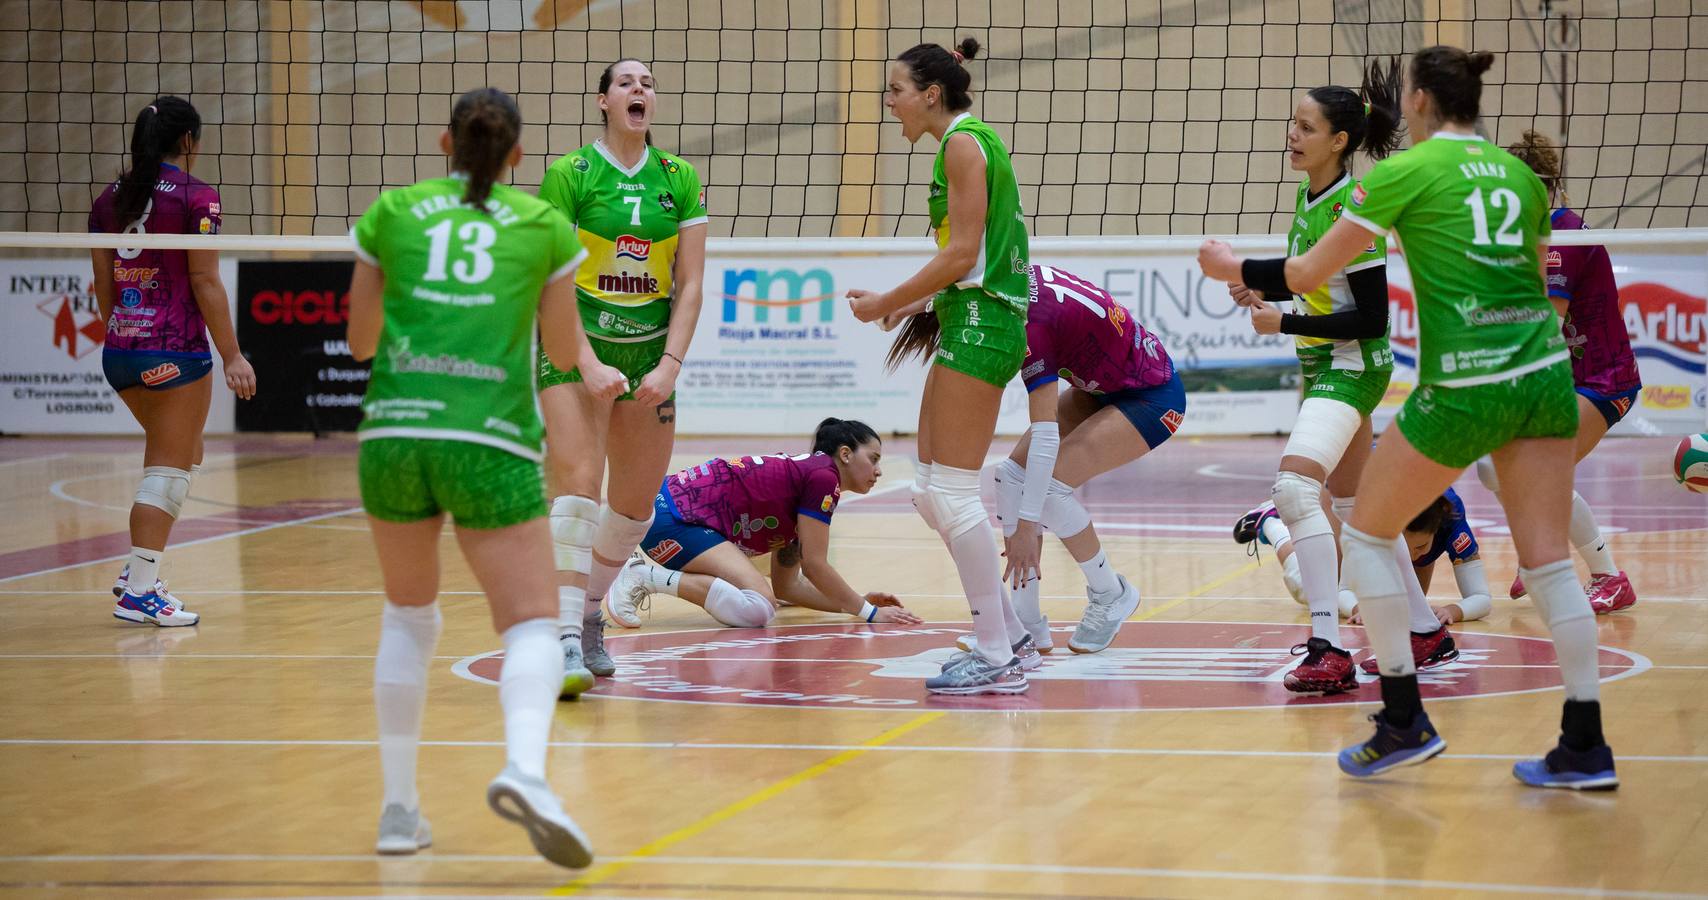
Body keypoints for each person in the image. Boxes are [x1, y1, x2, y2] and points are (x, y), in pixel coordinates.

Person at [1199, 46, 1618, 790]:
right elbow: (1531, 271)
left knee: (1363, 532)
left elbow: (1303, 276)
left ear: (1420, 100)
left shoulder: (1401, 174)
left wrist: (1230, 266)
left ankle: (1402, 722)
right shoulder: (1521, 176)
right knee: (1551, 564)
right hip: (1548, 379)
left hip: (1466, 383)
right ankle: (1584, 744)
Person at [346, 87, 624, 866]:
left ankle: (400, 812)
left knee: (407, 618)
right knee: (534, 623)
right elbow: (565, 353)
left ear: (444, 143)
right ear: (517, 158)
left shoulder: (393, 213)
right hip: (489, 439)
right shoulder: (542, 226)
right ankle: (527, 774)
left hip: (395, 435)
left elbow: (361, 341)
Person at [1226, 68, 1458, 695]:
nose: (1292, 135)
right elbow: (1319, 280)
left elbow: (1372, 316)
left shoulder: (1355, 206)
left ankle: (1328, 647)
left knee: (1296, 489)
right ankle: (1424, 631)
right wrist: (1265, 285)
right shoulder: (1313, 198)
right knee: (1358, 512)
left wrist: (1283, 320)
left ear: (1339, 141)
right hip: (1325, 366)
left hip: (1354, 366)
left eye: (1307, 128)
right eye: (1293, 123)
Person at [847, 38, 1033, 695]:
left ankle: (996, 653)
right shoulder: (959, 143)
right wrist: (914, 305)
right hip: (967, 317)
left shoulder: (961, 142)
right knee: (930, 490)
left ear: (930, 94)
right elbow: (966, 261)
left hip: (985, 323)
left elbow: (963, 254)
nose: (888, 104)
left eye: (894, 91)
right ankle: (1008, 634)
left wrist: (885, 302)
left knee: (951, 493)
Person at [889, 264, 1179, 658]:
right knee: (1010, 477)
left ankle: (1111, 593)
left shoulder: (1030, 325)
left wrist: (1027, 528)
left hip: (1152, 396)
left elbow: (1045, 434)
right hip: (1101, 386)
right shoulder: (1001, 280)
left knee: (1048, 493)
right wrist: (894, 306)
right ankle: (1026, 626)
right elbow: (950, 287)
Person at [536, 58, 708, 697]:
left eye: (648, 84)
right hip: (572, 346)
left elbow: (690, 284)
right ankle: (558, 640)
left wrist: (669, 365)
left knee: (635, 508)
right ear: (604, 101)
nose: (640, 90)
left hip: (647, 357)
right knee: (579, 488)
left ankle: (587, 620)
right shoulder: (570, 175)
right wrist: (584, 360)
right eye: (626, 83)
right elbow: (549, 278)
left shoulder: (679, 179)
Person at [89, 95, 257, 627]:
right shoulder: (196, 196)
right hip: (176, 350)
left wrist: (125, 337)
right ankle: (140, 591)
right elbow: (205, 280)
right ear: (189, 141)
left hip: (121, 352)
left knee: (186, 452)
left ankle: (135, 567)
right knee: (168, 471)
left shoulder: (108, 198)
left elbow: (102, 285)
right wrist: (232, 355)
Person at [1475, 130, 1641, 614]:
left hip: (1603, 380)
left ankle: (1608, 576)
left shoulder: (1561, 234)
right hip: (1561, 378)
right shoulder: (1526, 233)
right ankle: (1539, 554)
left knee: (1536, 470)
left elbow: (1545, 320)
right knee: (1494, 467)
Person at [604, 418, 925, 629]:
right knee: (757, 608)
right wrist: (868, 613)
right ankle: (644, 577)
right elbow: (814, 565)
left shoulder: (809, 480)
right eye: (874, 458)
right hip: (673, 518)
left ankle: (647, 575)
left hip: (664, 509)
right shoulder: (824, 479)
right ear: (844, 454)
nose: (878, 470)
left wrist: (858, 602)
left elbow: (788, 586)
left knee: (763, 600)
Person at [1242, 490, 1492, 636]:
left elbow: (1481, 597)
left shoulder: (1453, 523)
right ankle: (1271, 522)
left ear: (1438, 530)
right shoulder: (1370, 519)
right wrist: (1356, 608)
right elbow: (1343, 591)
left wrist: (1453, 610)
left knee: (1409, 604)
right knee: (1315, 589)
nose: (1412, 557)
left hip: (1382, 487)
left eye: (1420, 547)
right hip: (1345, 491)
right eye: (1399, 548)